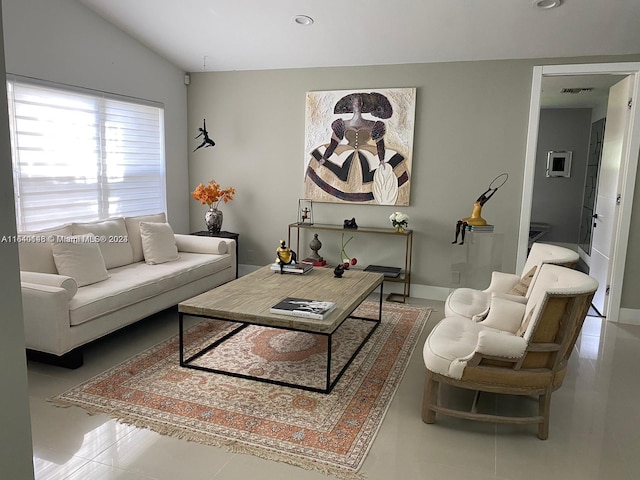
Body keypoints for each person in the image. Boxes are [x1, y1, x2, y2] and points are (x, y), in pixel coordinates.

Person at [305, 92, 410, 205]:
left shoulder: (373, 124)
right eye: (355, 103)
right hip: (344, 152)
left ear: (363, 105)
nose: (357, 105)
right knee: (320, 157)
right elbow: (333, 144)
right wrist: (324, 158)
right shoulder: (341, 124)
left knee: (393, 160)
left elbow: (380, 145)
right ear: (351, 105)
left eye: (360, 103)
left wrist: (382, 160)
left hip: (368, 152)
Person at [452, 173, 508, 245]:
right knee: (459, 222)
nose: (481, 198)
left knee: (465, 224)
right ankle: (456, 239)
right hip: (472, 217)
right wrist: (488, 190)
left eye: (482, 198)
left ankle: (463, 240)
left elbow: (488, 198)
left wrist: (493, 192)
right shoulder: (477, 202)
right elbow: (481, 195)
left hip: (477, 219)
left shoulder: (481, 203)